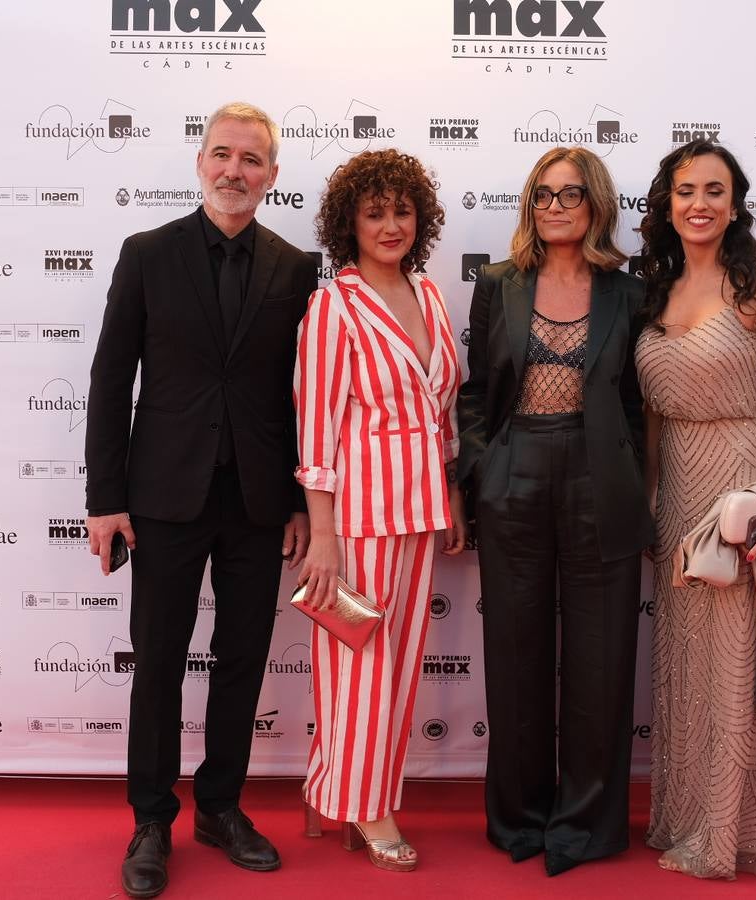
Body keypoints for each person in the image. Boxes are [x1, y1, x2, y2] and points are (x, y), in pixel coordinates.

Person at [84, 101, 318, 899]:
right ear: (200, 162)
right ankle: (151, 818)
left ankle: (220, 806)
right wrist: (105, 497)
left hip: (257, 498)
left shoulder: (296, 266)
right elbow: (112, 380)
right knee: (158, 662)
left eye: (251, 160)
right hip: (161, 494)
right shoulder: (146, 253)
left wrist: (296, 500)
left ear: (272, 176)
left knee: (243, 659)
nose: (234, 171)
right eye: (222, 154)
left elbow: (298, 397)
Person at [455, 146, 652, 877]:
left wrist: (642, 495)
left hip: (602, 480)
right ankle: (518, 817)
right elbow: (477, 391)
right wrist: (479, 473)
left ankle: (588, 824)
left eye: (571, 194)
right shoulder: (499, 283)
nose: (556, 206)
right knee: (515, 653)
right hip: (514, 476)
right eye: (543, 194)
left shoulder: (628, 294)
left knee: (602, 660)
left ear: (596, 203)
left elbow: (637, 409)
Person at [634, 139, 756, 881]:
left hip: (742, 487)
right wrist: (647, 506)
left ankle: (740, 832)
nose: (699, 203)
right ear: (667, 204)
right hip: (676, 492)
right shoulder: (654, 291)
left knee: (744, 664)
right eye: (685, 190)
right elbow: (649, 420)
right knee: (687, 662)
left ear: (734, 202)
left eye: (714, 189)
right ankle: (689, 819)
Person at [294, 149, 465, 872]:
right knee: (357, 665)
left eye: (402, 210)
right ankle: (366, 808)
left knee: (394, 672)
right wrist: (324, 536)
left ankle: (336, 787)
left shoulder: (429, 295)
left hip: (419, 513)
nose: (391, 224)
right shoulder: (336, 303)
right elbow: (316, 426)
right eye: (375, 213)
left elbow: (443, 409)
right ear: (349, 225)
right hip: (359, 518)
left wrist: (450, 492)